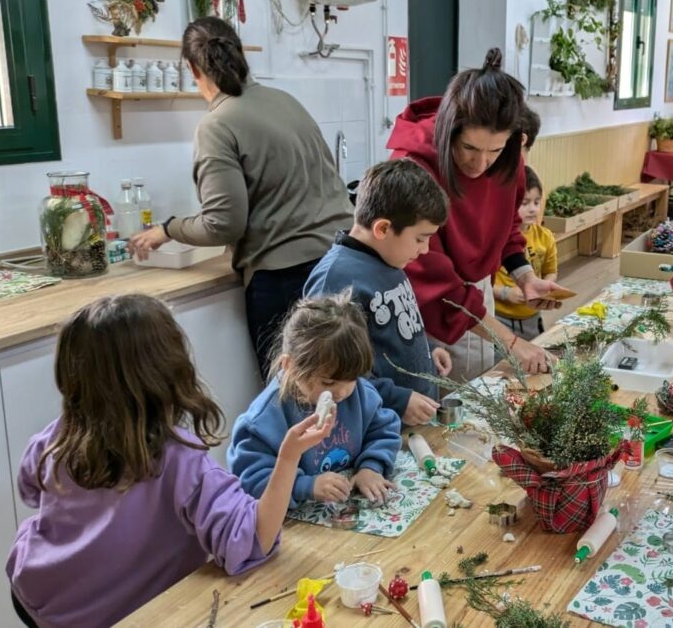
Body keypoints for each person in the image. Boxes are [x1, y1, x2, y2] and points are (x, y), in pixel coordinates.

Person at [7, 294, 335, 627]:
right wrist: (289, 455)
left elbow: (30, 489)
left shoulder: (57, 435)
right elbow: (252, 539)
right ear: (171, 371)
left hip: (36, 591)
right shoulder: (181, 459)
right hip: (113, 615)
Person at [127, 18, 352, 376]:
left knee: (292, 399)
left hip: (287, 279)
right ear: (240, 54)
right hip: (340, 261)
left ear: (191, 68)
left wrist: (167, 229)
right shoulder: (285, 101)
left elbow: (223, 224)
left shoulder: (217, 124)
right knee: (343, 390)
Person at [386, 48, 563, 381]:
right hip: (428, 306)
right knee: (440, 401)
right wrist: (511, 341)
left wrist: (525, 277)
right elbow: (433, 282)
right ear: (450, 130)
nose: (480, 165)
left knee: (480, 392)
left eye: (494, 151)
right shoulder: (414, 167)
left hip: (477, 300)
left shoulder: (509, 157)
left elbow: (508, 226)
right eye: (469, 148)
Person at [303, 159, 454, 427]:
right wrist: (397, 399)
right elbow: (327, 371)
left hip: (408, 422)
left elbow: (393, 327)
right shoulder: (336, 279)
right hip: (375, 427)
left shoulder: (389, 257)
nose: (425, 249)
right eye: (420, 238)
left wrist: (428, 350)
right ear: (382, 228)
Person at [229, 292, 402, 506]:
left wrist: (371, 467)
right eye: (328, 384)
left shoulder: (358, 393)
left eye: (352, 379)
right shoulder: (262, 420)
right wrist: (305, 486)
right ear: (289, 366)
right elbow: (251, 481)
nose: (342, 392)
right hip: (291, 526)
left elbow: (384, 430)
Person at [493, 168, 558, 340]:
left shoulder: (545, 236)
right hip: (499, 317)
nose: (532, 209)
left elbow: (551, 271)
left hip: (532, 316)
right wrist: (506, 293)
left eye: (536, 202)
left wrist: (544, 287)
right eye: (525, 203)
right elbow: (483, 285)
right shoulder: (497, 238)